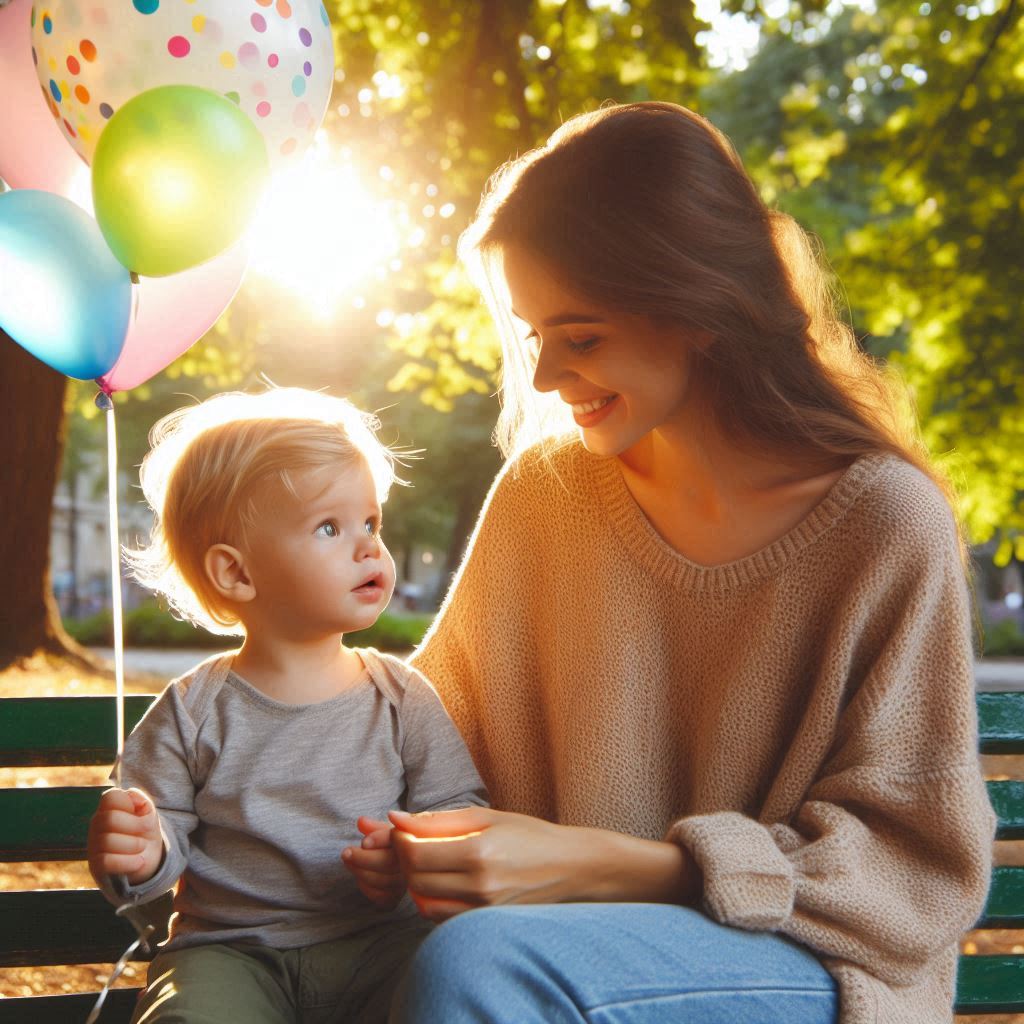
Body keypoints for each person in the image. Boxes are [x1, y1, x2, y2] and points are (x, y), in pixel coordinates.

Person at [340, 102, 996, 1024]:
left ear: (697, 311)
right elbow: (433, 733)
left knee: (482, 967)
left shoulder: (886, 521)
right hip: (552, 953)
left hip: (813, 965)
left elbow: (911, 877)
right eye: (536, 338)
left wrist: (612, 866)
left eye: (583, 337)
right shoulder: (547, 493)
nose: (543, 380)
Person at [86, 388, 487, 1024]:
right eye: (330, 527)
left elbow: (458, 812)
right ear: (236, 574)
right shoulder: (193, 710)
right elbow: (153, 845)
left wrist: (411, 852)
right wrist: (140, 851)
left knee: (461, 987)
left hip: (380, 945)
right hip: (230, 955)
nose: (368, 548)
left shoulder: (401, 696)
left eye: (370, 523)